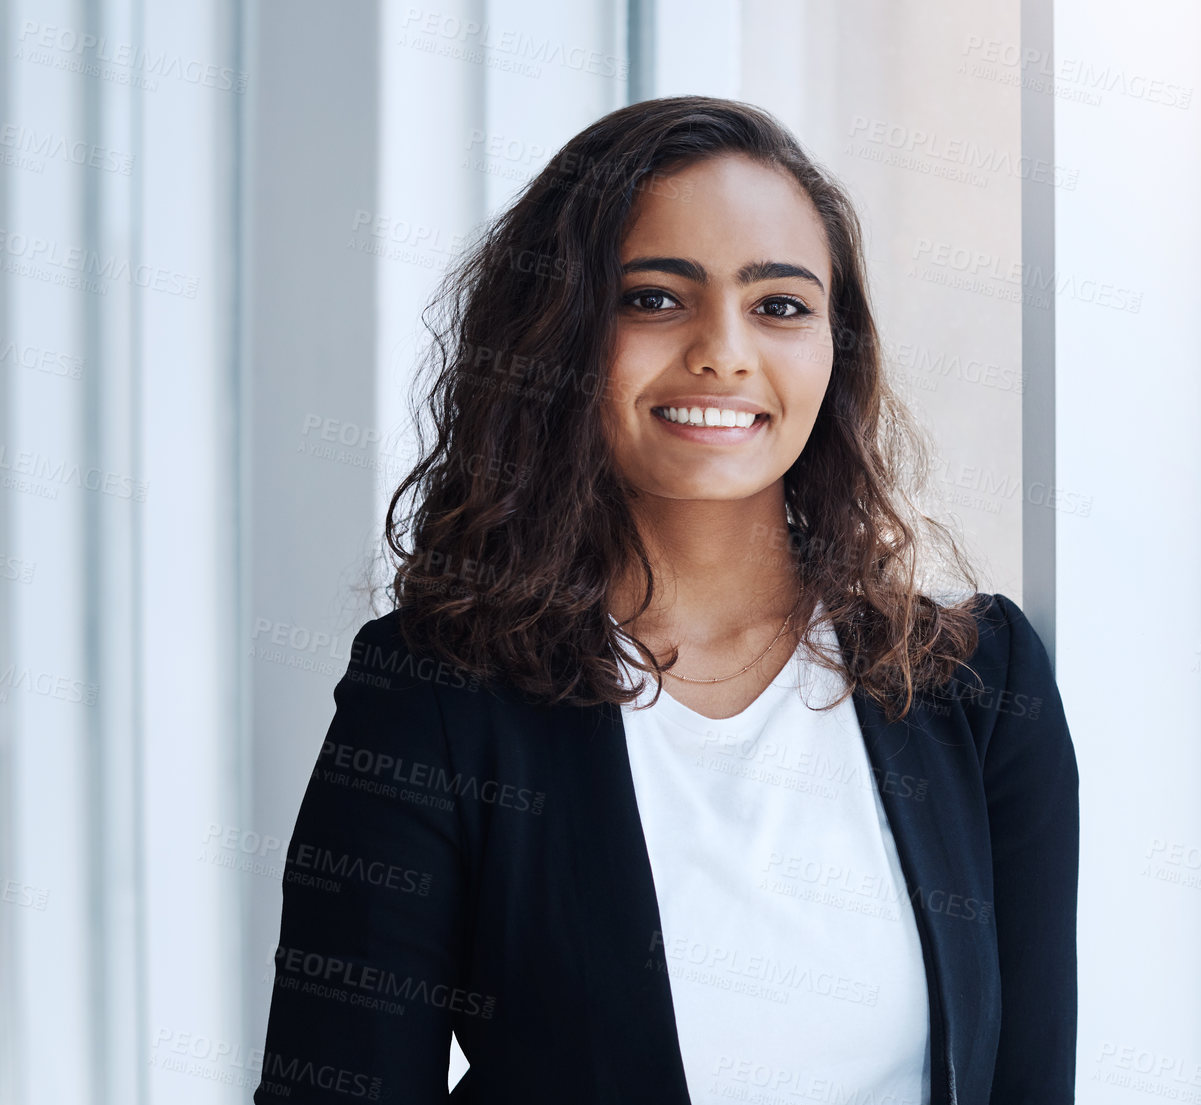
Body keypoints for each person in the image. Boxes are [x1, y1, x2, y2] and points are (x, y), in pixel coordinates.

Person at [253, 95, 1079, 1105]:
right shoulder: (436, 696)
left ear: (835, 349)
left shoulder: (974, 680)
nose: (724, 350)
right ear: (557, 334)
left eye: (779, 305)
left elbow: (1030, 1083)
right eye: (653, 298)